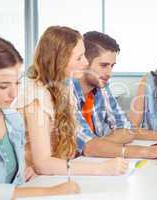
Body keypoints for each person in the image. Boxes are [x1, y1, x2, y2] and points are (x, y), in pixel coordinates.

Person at [0, 37, 79, 200]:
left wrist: (28, 175)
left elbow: (14, 180)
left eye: (17, 84)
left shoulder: (13, 120)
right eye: (4, 86)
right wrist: (49, 192)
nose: (14, 94)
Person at [13, 26, 128, 176]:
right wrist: (100, 169)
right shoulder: (35, 96)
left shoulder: (64, 89)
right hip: (27, 178)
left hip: (50, 175)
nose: (86, 62)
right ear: (60, 60)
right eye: (79, 57)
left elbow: (63, 152)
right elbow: (43, 163)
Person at [72, 31, 157, 159]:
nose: (109, 73)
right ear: (84, 62)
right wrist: (148, 152)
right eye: (104, 65)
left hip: (90, 163)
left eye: (112, 66)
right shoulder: (67, 93)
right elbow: (89, 147)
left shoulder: (102, 88)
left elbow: (128, 130)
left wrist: (100, 146)